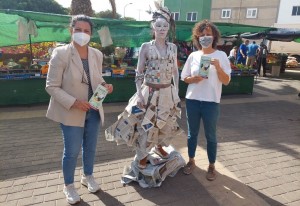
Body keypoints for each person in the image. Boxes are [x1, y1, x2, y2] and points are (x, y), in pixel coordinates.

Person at [105, 4, 184, 180]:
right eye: (158, 26)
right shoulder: (146, 47)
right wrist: (140, 94)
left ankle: (160, 145)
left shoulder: (173, 48)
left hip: (167, 92)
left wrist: (176, 91)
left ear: (169, 28)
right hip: (149, 92)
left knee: (166, 122)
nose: (162, 29)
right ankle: (142, 156)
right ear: (153, 28)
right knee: (146, 124)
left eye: (165, 26)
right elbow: (139, 73)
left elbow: (175, 72)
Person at [45, 15, 113, 204]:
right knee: (72, 151)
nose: (82, 34)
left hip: (93, 109)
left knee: (90, 148)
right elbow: (51, 86)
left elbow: (96, 79)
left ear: (91, 34)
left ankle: (87, 176)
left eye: (86, 31)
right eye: (78, 30)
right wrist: (74, 102)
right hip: (71, 111)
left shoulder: (96, 54)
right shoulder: (61, 53)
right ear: (71, 30)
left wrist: (105, 85)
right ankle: (68, 186)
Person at [180, 20, 231, 181]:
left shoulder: (221, 56)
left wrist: (218, 67)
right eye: (202, 35)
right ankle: (191, 160)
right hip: (193, 101)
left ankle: (211, 165)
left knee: (211, 135)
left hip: (211, 102)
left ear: (214, 36)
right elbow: (184, 77)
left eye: (208, 34)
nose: (205, 37)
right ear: (197, 37)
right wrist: (193, 78)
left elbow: (226, 81)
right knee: (191, 134)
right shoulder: (193, 55)